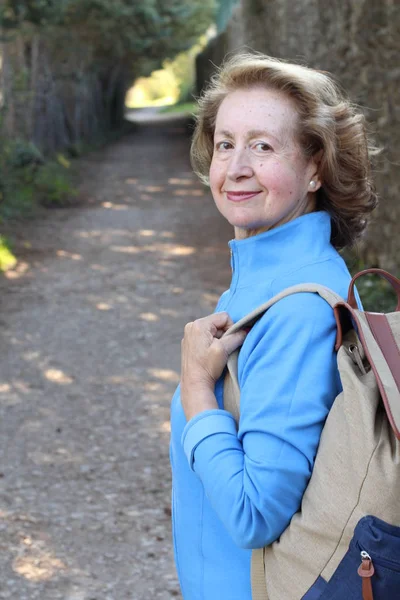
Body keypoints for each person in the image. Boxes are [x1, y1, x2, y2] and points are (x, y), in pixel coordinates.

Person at [169, 52, 378, 600]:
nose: (236, 167)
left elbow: (254, 514)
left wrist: (195, 387)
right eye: (225, 144)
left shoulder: (295, 311)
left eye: (263, 146)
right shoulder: (267, 276)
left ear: (315, 168)